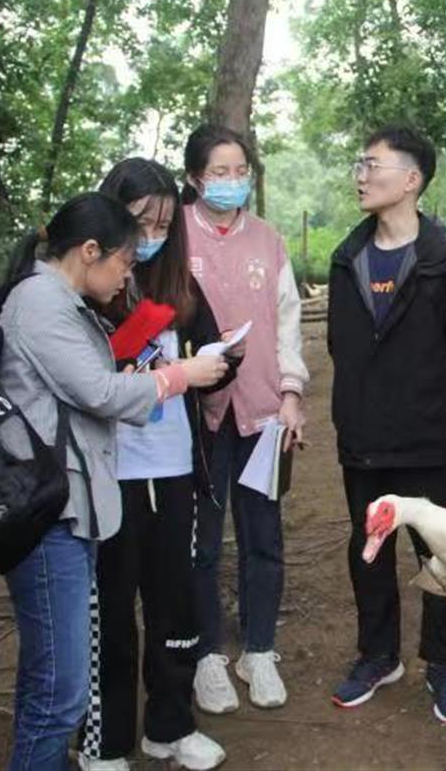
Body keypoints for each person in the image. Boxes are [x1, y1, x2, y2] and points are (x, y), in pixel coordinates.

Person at [0, 192, 228, 771]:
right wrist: (178, 376)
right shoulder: (42, 304)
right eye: (125, 259)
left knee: (54, 681)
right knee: (60, 691)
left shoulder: (57, 302)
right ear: (90, 250)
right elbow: (98, 393)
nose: (130, 271)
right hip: (54, 512)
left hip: (73, 505)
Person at [75, 159, 241, 771]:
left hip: (173, 471)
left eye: (165, 224)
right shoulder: (86, 297)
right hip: (107, 477)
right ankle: (107, 739)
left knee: (174, 606)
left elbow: (213, 356)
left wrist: (227, 360)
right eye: (142, 222)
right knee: (113, 613)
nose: (152, 236)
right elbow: (88, 386)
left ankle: (170, 725)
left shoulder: (181, 293)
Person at [325, 126, 446, 722]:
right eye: (359, 163)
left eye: (373, 164)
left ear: (412, 179)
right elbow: (342, 345)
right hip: (363, 439)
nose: (361, 174)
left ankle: (444, 665)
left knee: (440, 556)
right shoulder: (347, 258)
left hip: (429, 440)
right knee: (368, 549)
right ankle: (378, 655)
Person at [183, 124, 310, 713]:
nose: (232, 183)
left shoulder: (269, 239)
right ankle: (206, 653)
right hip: (197, 416)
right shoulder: (175, 234)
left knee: (264, 536)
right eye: (219, 172)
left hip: (264, 412)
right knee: (202, 542)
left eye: (241, 172)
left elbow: (287, 323)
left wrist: (291, 393)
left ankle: (258, 648)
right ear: (194, 178)